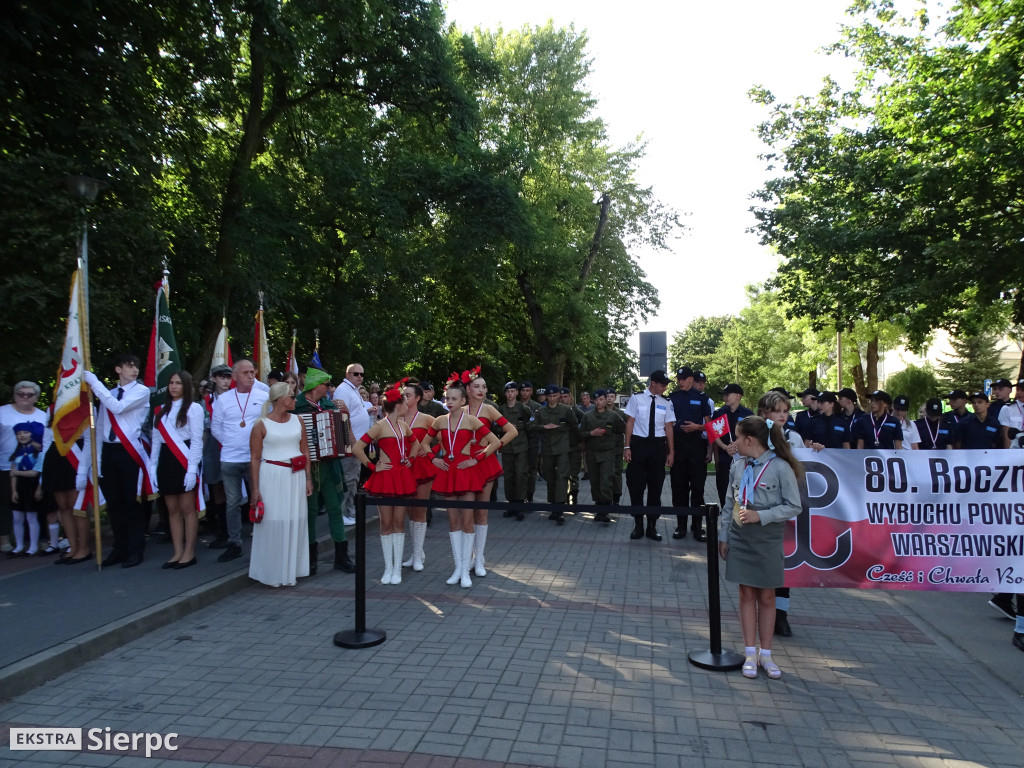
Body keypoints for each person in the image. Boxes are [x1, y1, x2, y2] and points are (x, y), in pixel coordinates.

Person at [719, 415, 804, 679]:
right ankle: (749, 654)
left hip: (767, 538)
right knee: (746, 593)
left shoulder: (780, 467)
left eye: (737, 437)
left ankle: (766, 655)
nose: (733, 442)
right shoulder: (738, 465)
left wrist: (761, 516)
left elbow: (794, 506)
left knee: (767, 596)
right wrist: (724, 535)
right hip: (741, 535)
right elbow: (728, 503)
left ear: (749, 440)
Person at [425, 380, 500, 588]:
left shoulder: (472, 421)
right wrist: (434, 459)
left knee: (468, 521)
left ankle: (467, 569)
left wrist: (477, 459)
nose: (449, 402)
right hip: (448, 472)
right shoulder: (439, 421)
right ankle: (458, 567)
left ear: (463, 400)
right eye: (447, 398)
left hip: (466, 472)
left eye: (454, 399)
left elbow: (494, 442)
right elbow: (424, 443)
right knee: (453, 522)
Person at [83, 355, 154, 568]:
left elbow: (118, 408)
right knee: (115, 503)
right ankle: (119, 548)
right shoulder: (109, 394)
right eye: (129, 366)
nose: (134, 370)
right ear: (118, 369)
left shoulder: (141, 392)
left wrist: (94, 383)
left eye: (136, 366)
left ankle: (135, 549)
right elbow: (102, 426)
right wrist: (97, 458)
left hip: (129, 452)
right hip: (109, 452)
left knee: (132, 502)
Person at [353, 384, 419, 584]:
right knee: (385, 523)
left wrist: (411, 458)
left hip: (401, 477)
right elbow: (357, 447)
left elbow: (415, 443)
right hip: (385, 478)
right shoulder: (380, 426)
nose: (407, 405)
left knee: (399, 522)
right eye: (404, 402)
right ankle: (388, 568)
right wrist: (373, 467)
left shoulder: (404, 426)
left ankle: (397, 569)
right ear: (397, 404)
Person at [248, 382, 312, 587]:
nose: (295, 399)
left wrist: (308, 478)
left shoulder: (298, 420)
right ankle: (271, 572)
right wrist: (255, 489)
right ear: (280, 399)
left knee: (296, 520)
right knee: (274, 522)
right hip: (272, 477)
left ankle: (292, 570)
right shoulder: (261, 425)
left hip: (296, 476)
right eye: (292, 397)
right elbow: (255, 458)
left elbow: (305, 451)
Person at [292, 367, 354, 574]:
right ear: (316, 385)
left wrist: (344, 416)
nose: (330, 388)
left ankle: (341, 556)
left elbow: (344, 432)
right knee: (309, 511)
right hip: (307, 467)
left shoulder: (330, 405)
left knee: (335, 508)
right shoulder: (296, 406)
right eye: (327, 385)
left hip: (330, 465)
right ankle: (310, 559)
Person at [210, 359, 269, 563]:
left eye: (253, 372)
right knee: (232, 502)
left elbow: (270, 424)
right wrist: (231, 443)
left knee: (259, 498)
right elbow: (216, 427)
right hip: (230, 458)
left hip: (256, 458)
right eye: (246, 373)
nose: (251, 376)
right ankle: (234, 543)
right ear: (234, 377)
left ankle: (263, 541)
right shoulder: (223, 399)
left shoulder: (263, 396)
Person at [149, 370, 204, 569]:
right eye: (171, 383)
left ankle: (189, 552)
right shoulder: (160, 410)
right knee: (171, 510)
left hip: (185, 459)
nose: (173, 386)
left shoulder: (194, 408)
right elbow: (156, 441)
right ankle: (177, 552)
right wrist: (152, 467)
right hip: (166, 460)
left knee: (187, 509)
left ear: (186, 386)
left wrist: (191, 470)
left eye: (178, 383)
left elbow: (197, 441)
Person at [464, 369, 518, 575]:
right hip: (464, 464)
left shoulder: (489, 410)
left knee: (482, 511)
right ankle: (467, 556)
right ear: (468, 389)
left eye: (484, 387)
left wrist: (492, 448)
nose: (481, 390)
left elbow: (512, 431)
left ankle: (479, 558)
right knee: (465, 513)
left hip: (485, 462)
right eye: (476, 386)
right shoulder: (459, 409)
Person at [623, 370, 675, 541]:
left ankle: (652, 526)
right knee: (636, 486)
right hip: (639, 445)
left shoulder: (666, 402)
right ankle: (638, 524)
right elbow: (630, 423)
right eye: (662, 385)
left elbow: (668, 427)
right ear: (653, 383)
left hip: (657, 447)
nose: (665, 388)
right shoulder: (637, 398)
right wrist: (627, 446)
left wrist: (671, 451)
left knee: (656, 486)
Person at [1, 382, 51, 553]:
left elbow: (47, 442)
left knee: (36, 504)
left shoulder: (44, 416)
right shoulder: (2, 412)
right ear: (15, 395)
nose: (25, 397)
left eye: (29, 394)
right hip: (7, 466)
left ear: (36, 398)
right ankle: (5, 540)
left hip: (35, 468)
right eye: (21, 393)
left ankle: (38, 541)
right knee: (9, 504)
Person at [669, 367, 711, 541]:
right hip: (678, 447)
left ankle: (697, 526)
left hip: (696, 447)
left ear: (691, 379)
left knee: (698, 488)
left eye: (684, 379)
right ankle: (681, 525)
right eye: (679, 378)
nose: (681, 382)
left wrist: (697, 427)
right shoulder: (672, 398)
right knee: (679, 489)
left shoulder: (702, 399)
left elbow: (711, 427)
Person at [399, 382, 438, 570]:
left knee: (420, 510)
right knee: (409, 511)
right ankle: (416, 552)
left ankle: (417, 555)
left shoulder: (427, 418)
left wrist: (430, 451)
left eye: (408, 394)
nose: (405, 397)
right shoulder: (397, 417)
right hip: (404, 466)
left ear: (417, 398)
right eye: (403, 394)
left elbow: (445, 439)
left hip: (422, 467)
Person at [334, 363, 371, 527]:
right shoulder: (343, 390)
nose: (360, 377)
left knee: (354, 477)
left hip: (357, 443)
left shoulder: (353, 390)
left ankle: (350, 511)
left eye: (362, 374)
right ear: (348, 374)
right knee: (348, 479)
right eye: (356, 374)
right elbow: (341, 418)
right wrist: (352, 442)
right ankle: (341, 513)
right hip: (350, 443)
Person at [535, 382, 576, 524]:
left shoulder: (566, 410)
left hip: (563, 448)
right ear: (546, 397)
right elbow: (531, 426)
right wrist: (543, 427)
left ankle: (560, 508)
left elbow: (574, 426)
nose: (552, 398)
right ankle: (553, 505)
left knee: (562, 477)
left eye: (555, 396)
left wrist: (572, 444)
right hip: (547, 449)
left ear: (559, 395)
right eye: (550, 396)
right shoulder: (541, 411)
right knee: (550, 477)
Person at [580, 389, 623, 523]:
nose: (599, 402)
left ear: (605, 400)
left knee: (605, 481)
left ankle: (605, 510)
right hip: (592, 453)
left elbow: (623, 429)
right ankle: (598, 508)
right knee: (595, 482)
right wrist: (591, 433)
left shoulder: (614, 416)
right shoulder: (587, 416)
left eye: (601, 399)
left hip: (607, 453)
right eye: (596, 400)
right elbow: (579, 434)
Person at [203, 365, 233, 549]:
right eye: (222, 377)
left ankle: (235, 530)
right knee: (217, 490)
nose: (226, 380)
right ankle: (222, 531)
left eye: (228, 377)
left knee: (233, 491)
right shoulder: (205, 401)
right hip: (214, 447)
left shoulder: (236, 397)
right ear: (214, 379)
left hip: (233, 446)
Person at [711, 383, 754, 508]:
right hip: (725, 455)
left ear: (738, 396)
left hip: (742, 456)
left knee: (741, 484)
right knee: (723, 485)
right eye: (724, 395)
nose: (725, 398)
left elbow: (752, 435)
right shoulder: (719, 413)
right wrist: (725, 447)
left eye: (727, 395)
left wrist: (738, 445)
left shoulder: (748, 413)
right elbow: (715, 435)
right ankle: (725, 509)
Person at [496, 382, 533, 521]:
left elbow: (532, 422)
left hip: (522, 447)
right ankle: (511, 503)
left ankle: (520, 504)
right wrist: (505, 428)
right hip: (507, 448)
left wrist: (521, 426)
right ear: (505, 394)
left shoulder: (523, 408)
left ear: (517, 393)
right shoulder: (501, 410)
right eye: (508, 392)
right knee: (509, 477)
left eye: (513, 391)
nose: (510, 394)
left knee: (521, 475)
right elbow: (496, 427)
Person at [8, 422, 45, 556]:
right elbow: (12, 475)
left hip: (32, 486)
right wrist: (14, 491)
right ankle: (18, 546)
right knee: (17, 517)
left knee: (31, 517)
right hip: (19, 487)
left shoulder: (38, 453)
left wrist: (16, 473)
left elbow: (35, 473)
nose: (22, 436)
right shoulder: (17, 453)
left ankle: (33, 546)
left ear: (32, 434)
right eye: (19, 434)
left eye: (25, 433)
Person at [519, 381, 542, 504]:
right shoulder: (515, 405)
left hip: (533, 442)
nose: (525, 393)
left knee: (531, 470)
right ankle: (519, 496)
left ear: (531, 392)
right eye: (523, 390)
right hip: (518, 442)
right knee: (520, 470)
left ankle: (530, 495)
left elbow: (539, 425)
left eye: (527, 390)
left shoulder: (537, 407)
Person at [998, 378, 1024, 448]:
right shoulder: (1007, 408)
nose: (1019, 392)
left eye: (1023, 390)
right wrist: (1009, 454)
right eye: (1018, 390)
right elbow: (1005, 435)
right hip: (1015, 449)